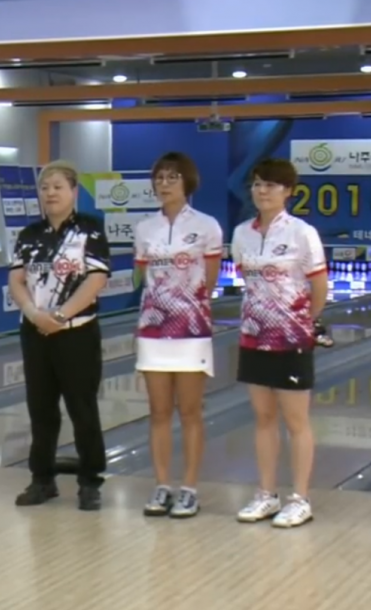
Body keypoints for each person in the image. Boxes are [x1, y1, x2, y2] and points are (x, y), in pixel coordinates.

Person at [8, 160, 111, 511]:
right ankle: (42, 479)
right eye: (45, 187)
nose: (50, 193)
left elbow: (96, 279)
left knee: (82, 408)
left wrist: (61, 315)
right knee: (41, 409)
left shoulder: (90, 230)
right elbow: (16, 280)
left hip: (77, 332)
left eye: (57, 187)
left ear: (73, 191)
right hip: (35, 331)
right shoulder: (29, 235)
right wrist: (34, 313)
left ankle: (90, 481)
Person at [231, 158, 328, 529]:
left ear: (288, 191)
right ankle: (266, 494)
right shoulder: (241, 233)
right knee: (263, 418)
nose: (262, 191)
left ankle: (300, 499)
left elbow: (319, 286)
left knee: (296, 421)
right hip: (253, 337)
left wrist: (302, 323)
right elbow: (248, 280)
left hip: (292, 340)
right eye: (257, 184)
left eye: (270, 185)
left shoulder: (303, 233)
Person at [134, 152, 223, 519]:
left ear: (188, 182)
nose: (164, 184)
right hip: (152, 330)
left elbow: (211, 280)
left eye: (172, 177)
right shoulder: (144, 229)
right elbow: (143, 276)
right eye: (159, 177)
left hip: (191, 330)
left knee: (189, 412)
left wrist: (186, 307)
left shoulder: (207, 226)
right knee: (158, 412)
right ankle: (161, 485)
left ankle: (189, 488)